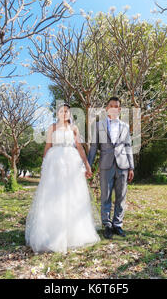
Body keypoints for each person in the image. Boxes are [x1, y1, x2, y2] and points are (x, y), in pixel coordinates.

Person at [25, 103, 101, 254]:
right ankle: (51, 234)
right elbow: (47, 146)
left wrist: (86, 165)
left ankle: (73, 234)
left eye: (66, 111)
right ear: (57, 113)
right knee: (54, 195)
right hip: (55, 162)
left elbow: (79, 147)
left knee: (72, 195)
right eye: (61, 111)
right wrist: (44, 164)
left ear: (69, 114)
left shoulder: (74, 128)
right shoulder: (52, 128)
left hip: (71, 161)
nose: (64, 113)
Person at [87, 97, 134, 239]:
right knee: (105, 196)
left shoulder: (125, 127)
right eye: (111, 105)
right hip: (106, 164)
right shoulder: (98, 125)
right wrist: (88, 165)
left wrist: (131, 167)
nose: (113, 108)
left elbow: (128, 146)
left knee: (121, 197)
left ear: (119, 110)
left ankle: (117, 224)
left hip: (123, 165)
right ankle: (107, 225)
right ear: (107, 108)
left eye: (117, 106)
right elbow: (94, 147)